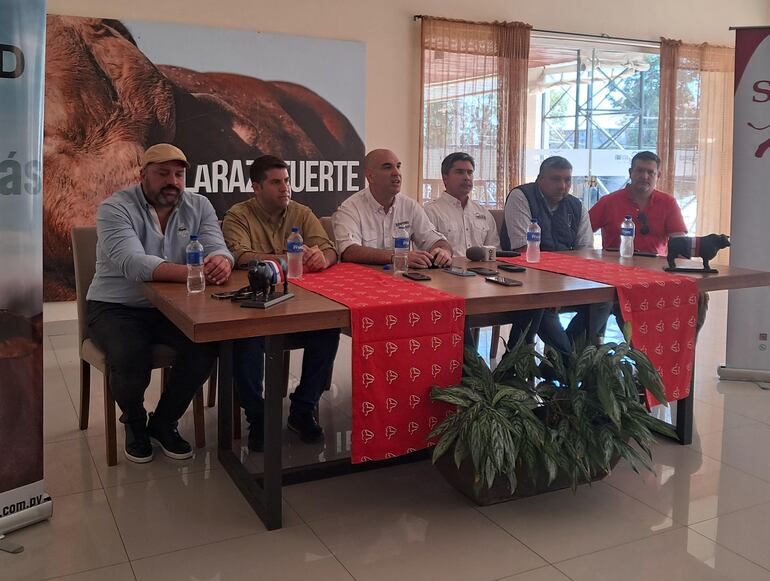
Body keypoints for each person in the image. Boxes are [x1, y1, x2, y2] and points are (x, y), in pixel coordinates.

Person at [86, 144, 233, 464]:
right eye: (163, 173)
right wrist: (195, 273)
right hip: (115, 306)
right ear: (142, 175)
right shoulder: (115, 208)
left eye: (179, 174)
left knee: (205, 346)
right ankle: (135, 422)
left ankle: (164, 422)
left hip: (173, 308)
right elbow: (132, 263)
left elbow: (219, 247)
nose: (173, 181)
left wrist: (221, 261)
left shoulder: (200, 205)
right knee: (130, 353)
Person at [222, 155, 340, 451]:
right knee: (244, 340)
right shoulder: (239, 214)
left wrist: (321, 258)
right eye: (276, 182)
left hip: (298, 305)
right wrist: (287, 261)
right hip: (257, 307)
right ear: (256, 187)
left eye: (286, 181)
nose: (285, 188)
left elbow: (328, 248)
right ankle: (258, 417)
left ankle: (302, 410)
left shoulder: (301, 212)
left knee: (328, 329)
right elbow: (239, 256)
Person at [502, 156, 610, 356]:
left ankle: (563, 357)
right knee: (537, 307)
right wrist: (553, 289)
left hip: (566, 281)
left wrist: (564, 286)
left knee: (605, 299)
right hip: (526, 281)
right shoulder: (521, 196)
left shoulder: (575, 206)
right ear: (540, 179)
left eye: (567, 180)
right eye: (556, 179)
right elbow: (523, 251)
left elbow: (585, 251)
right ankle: (568, 362)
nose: (563, 185)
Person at [332, 149, 453, 267]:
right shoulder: (350, 208)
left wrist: (443, 251)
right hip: (362, 281)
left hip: (402, 280)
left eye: (398, 166)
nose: (397, 173)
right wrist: (398, 257)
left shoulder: (409, 206)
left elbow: (434, 239)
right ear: (370, 176)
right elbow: (349, 251)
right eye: (387, 167)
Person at [589, 151, 687, 256]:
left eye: (650, 172)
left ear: (658, 175)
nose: (644, 176)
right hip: (614, 267)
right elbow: (581, 236)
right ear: (630, 172)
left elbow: (680, 244)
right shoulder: (608, 202)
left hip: (654, 269)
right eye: (639, 171)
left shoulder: (669, 203)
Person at [424, 152, 500, 257]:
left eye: (470, 172)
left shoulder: (483, 213)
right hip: (446, 271)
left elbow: (494, 251)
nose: (467, 177)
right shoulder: (430, 212)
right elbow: (425, 253)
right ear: (445, 178)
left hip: (482, 271)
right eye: (460, 172)